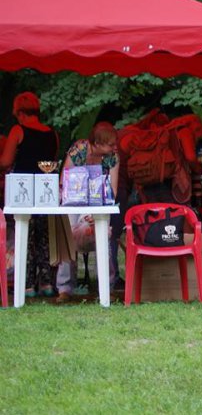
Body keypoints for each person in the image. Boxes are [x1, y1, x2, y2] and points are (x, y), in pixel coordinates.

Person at [0, 92, 60, 297]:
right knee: (44, 237)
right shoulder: (52, 133)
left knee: (25, 235)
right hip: (46, 190)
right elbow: (52, 159)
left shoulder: (18, 130)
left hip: (22, 191)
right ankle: (46, 283)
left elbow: (6, 161)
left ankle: (26, 284)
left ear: (19, 112)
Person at [56, 122, 120, 302]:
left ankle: (106, 288)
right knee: (66, 231)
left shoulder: (113, 157)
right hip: (72, 203)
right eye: (110, 144)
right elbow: (64, 182)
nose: (115, 147)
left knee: (103, 231)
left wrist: (98, 211)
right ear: (97, 144)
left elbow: (112, 190)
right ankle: (65, 289)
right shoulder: (78, 150)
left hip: (99, 203)